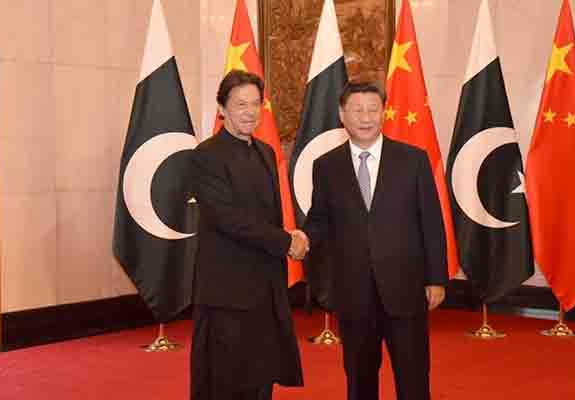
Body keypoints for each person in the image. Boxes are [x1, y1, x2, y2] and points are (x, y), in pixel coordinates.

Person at [303, 81, 447, 400]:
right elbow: (320, 220)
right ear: (342, 114)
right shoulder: (326, 166)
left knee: (413, 378)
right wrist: (300, 239)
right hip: (354, 293)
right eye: (357, 109)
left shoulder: (413, 160)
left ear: (384, 113)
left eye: (373, 109)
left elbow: (432, 223)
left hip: (405, 289)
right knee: (359, 379)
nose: (365, 117)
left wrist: (436, 278)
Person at [190, 70, 307, 400]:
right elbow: (227, 218)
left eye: (256, 104)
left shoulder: (266, 153)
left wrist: (290, 234)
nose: (250, 112)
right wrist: (286, 241)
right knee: (226, 383)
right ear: (222, 109)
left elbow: (266, 216)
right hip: (226, 290)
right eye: (240, 104)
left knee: (261, 378)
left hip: (265, 287)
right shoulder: (206, 155)